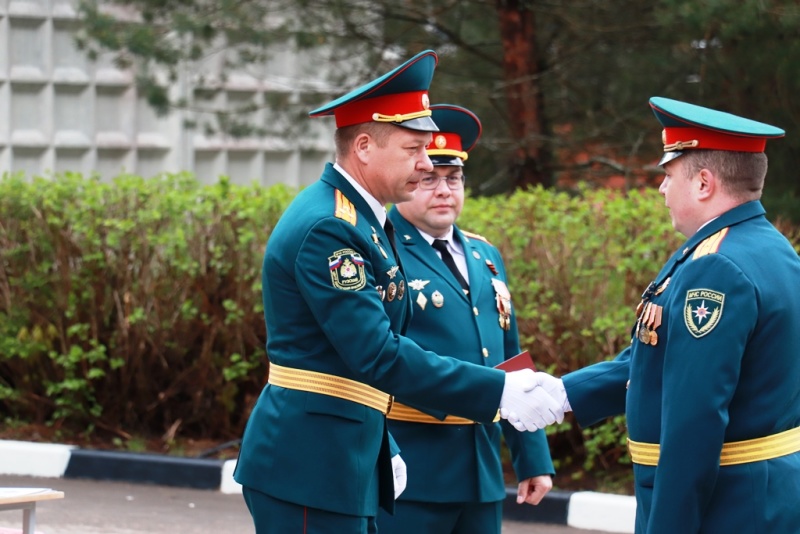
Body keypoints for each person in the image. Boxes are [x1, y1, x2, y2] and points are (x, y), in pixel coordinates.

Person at [233, 50, 562, 533]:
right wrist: (501, 391)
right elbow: (377, 354)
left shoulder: (364, 221)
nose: (426, 163)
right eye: (414, 150)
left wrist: (383, 443)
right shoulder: (331, 226)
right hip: (311, 464)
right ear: (364, 146)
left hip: (345, 456)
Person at [532, 96, 800, 533]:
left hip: (728, 507)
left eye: (669, 174)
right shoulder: (768, 248)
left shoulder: (715, 268)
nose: (661, 188)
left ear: (704, 184)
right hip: (764, 499)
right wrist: (564, 394)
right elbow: (661, 356)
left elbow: (694, 425)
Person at [375, 104, 555, 534]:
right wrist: (383, 456)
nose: (443, 191)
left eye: (453, 179)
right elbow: (372, 363)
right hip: (413, 472)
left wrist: (532, 457)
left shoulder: (484, 256)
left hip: (481, 471)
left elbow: (510, 360)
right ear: (405, 184)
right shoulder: (383, 251)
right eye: (427, 179)